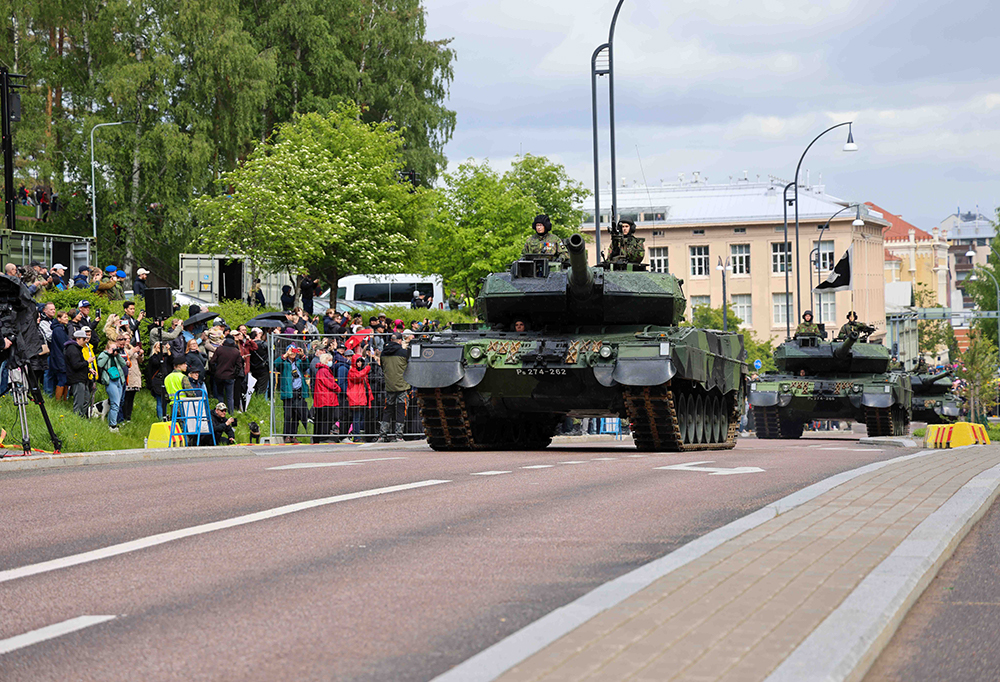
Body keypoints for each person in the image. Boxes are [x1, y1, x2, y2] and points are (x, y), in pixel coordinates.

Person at [377, 333, 410, 442]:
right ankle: (399, 436)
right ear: (400, 341)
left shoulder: (383, 353)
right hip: (402, 385)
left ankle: (383, 434)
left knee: (388, 409)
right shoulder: (404, 353)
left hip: (389, 385)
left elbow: (382, 367)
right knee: (401, 409)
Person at [275, 344, 310, 443]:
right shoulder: (284, 362)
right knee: (288, 415)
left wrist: (303, 356)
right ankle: (286, 435)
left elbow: (306, 366)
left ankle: (293, 435)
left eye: (295, 351)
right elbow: (276, 364)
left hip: (299, 392)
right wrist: (286, 354)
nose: (293, 353)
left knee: (297, 415)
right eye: (291, 351)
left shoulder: (299, 362)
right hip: (288, 393)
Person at [97, 340, 127, 431]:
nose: (114, 350)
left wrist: (117, 354)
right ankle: (112, 425)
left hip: (119, 380)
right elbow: (100, 364)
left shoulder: (116, 356)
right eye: (112, 348)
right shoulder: (103, 354)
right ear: (108, 348)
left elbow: (123, 364)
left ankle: (112, 423)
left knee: (118, 403)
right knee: (115, 403)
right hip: (110, 381)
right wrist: (108, 354)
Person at [312, 353, 341, 442]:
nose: (331, 362)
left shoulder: (321, 370)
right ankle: (323, 437)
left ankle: (319, 437)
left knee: (321, 419)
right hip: (326, 399)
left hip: (323, 398)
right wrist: (338, 388)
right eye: (329, 360)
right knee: (326, 418)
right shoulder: (324, 371)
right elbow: (330, 384)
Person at [209, 336, 241, 413]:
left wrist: (215, 371)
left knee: (220, 395)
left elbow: (212, 362)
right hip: (230, 376)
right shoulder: (236, 351)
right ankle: (231, 412)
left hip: (219, 375)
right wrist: (234, 374)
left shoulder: (219, 349)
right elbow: (239, 365)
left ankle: (220, 411)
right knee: (230, 396)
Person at [346, 354, 373, 442]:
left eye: (361, 361)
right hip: (356, 398)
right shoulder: (352, 371)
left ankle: (357, 434)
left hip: (361, 397)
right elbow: (357, 377)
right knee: (356, 418)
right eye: (357, 361)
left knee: (359, 417)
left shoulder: (359, 371)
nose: (359, 363)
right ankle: (356, 436)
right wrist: (366, 369)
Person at [65, 329, 91, 418]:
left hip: (82, 378)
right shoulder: (72, 349)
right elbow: (75, 365)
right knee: (79, 401)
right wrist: (87, 362)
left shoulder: (77, 349)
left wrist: (88, 369)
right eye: (84, 339)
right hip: (76, 378)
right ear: (78, 339)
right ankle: (77, 418)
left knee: (86, 399)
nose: (85, 342)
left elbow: (80, 362)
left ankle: (82, 417)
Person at [49, 310, 71, 400]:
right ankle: (58, 400)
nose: (67, 319)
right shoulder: (58, 330)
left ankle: (64, 399)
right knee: (62, 379)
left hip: (62, 358)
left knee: (65, 380)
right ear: (59, 318)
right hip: (59, 358)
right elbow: (63, 344)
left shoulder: (62, 328)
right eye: (65, 317)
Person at [121, 337, 143, 422]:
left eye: (129, 339)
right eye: (126, 338)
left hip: (135, 375)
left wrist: (140, 354)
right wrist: (133, 351)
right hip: (128, 375)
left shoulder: (131, 348)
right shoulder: (123, 349)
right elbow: (125, 357)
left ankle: (128, 417)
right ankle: (123, 416)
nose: (128, 340)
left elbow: (140, 361)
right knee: (125, 398)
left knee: (131, 398)